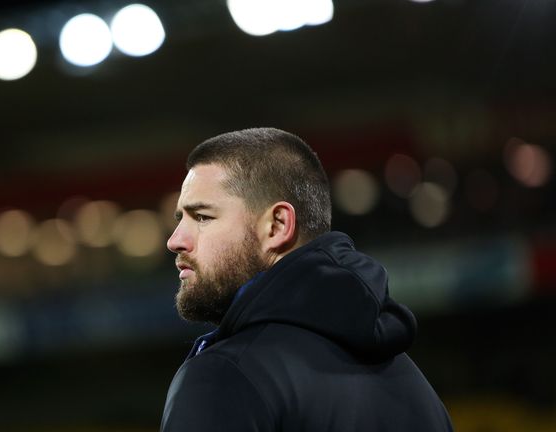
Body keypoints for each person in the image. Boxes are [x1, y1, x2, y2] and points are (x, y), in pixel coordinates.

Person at [160, 127, 454, 432]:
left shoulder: (224, 377)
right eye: (181, 219)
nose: (175, 240)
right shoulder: (416, 386)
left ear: (277, 226)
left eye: (203, 217)